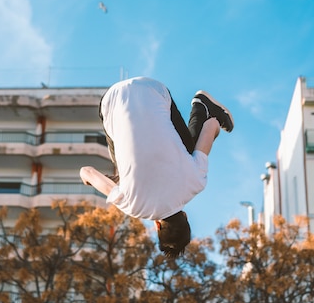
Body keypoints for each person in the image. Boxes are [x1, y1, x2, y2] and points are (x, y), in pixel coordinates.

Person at [80, 77, 233, 258]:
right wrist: (91, 180)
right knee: (121, 171)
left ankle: (202, 106)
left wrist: (215, 125)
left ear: (185, 216)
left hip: (153, 89)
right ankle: (121, 176)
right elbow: (86, 171)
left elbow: (211, 125)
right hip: (111, 100)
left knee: (192, 151)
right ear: (157, 225)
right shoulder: (131, 205)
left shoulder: (195, 182)